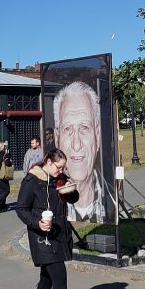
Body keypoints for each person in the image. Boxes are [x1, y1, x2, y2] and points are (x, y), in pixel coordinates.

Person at [14, 149, 84, 289]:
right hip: (41, 237)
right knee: (59, 275)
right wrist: (38, 223)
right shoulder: (32, 180)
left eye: (63, 167)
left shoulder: (59, 178)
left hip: (59, 234)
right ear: (48, 161)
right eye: (58, 167)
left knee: (47, 278)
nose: (60, 171)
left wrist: (70, 190)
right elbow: (21, 209)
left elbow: (73, 198)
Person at [53, 81, 108, 222]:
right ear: (56, 137)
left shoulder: (111, 196)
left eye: (84, 127)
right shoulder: (49, 199)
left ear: (97, 136)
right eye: (67, 129)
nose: (76, 144)